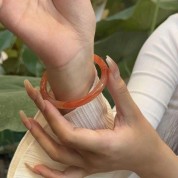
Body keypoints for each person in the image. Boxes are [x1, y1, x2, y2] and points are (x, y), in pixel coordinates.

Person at [0, 1, 178, 178]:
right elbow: (118, 155)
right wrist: (72, 68)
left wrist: (152, 158)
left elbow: (132, 153)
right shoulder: (173, 37)